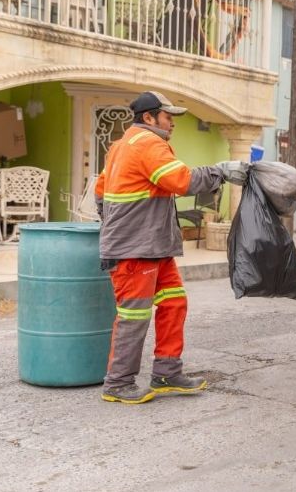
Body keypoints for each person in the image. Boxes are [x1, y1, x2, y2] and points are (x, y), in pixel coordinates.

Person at [94, 91, 250, 404]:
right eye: (168, 116)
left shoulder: (122, 145)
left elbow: (100, 192)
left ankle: (167, 372)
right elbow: (180, 181)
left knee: (173, 303)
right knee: (134, 316)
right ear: (149, 118)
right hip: (136, 250)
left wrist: (116, 224)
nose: (173, 123)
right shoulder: (149, 143)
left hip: (150, 248)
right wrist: (221, 170)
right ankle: (118, 383)